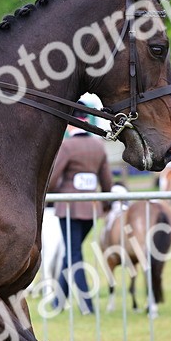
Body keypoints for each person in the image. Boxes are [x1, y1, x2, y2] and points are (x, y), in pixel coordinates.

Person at [46, 118, 113, 314]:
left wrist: (51, 194)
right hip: (92, 210)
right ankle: (58, 301)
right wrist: (107, 203)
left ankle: (86, 304)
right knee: (72, 252)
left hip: (69, 210)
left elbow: (52, 179)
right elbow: (107, 181)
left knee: (74, 254)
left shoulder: (67, 146)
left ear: (70, 124)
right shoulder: (98, 146)